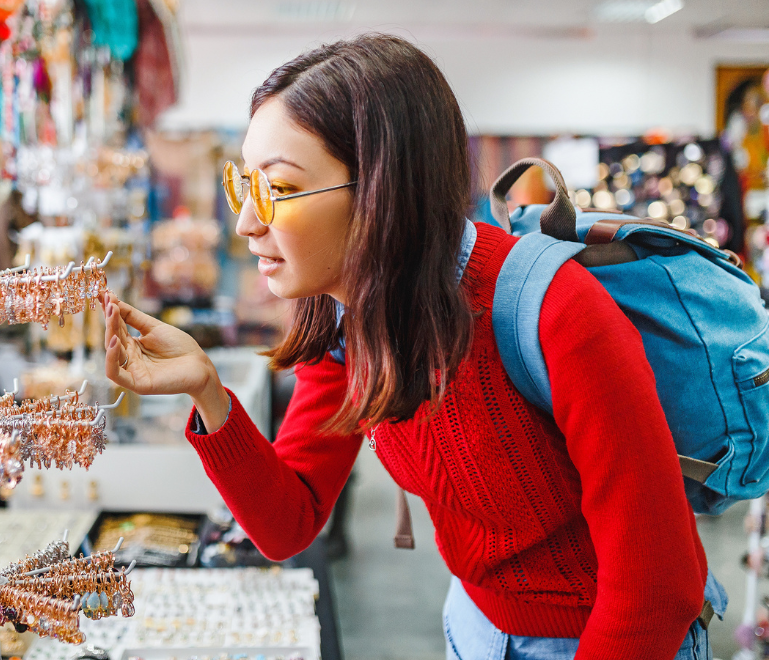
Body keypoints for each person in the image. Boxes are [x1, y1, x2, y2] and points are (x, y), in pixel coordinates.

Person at [99, 33, 725, 659]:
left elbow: (656, 582)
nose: (245, 223)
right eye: (246, 187)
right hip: (473, 627)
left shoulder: (552, 310)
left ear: (380, 191)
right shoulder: (345, 318)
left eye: (280, 191)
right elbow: (288, 521)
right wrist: (206, 390)